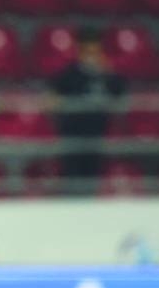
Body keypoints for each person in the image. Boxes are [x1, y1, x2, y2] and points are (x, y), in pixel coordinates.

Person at [49, 29, 126, 192]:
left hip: (98, 136)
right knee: (72, 182)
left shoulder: (109, 76)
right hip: (72, 136)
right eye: (87, 51)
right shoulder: (68, 75)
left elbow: (122, 98)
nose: (91, 56)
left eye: (95, 51)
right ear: (79, 51)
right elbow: (52, 100)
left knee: (93, 181)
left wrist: (108, 72)